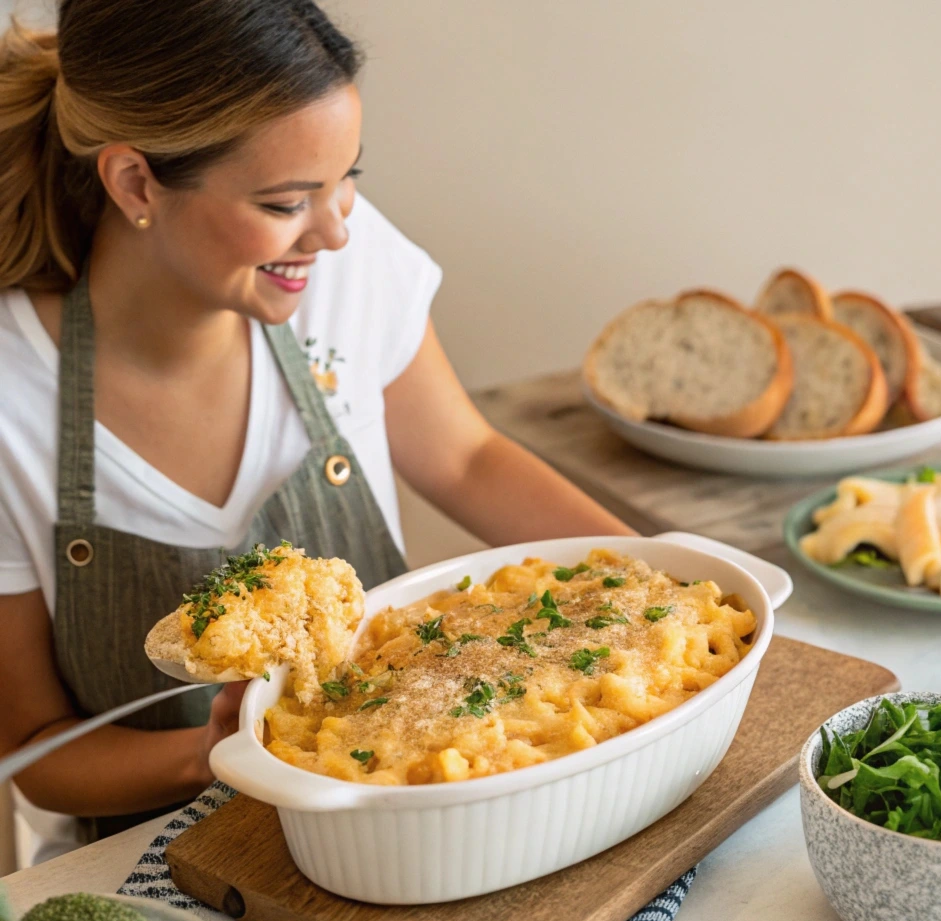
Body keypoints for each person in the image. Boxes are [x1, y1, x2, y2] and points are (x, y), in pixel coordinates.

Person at [0, 0, 633, 843]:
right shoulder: (13, 395)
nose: (335, 232)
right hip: (153, 864)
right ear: (134, 181)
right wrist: (218, 753)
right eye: (289, 201)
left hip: (403, 827)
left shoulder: (336, 264)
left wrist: (664, 585)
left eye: (349, 180)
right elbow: (35, 751)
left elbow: (468, 459)